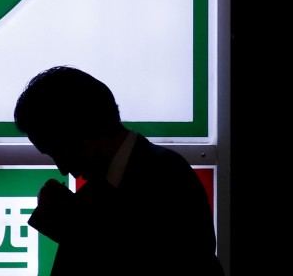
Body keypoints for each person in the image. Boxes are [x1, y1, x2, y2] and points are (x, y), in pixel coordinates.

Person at [14, 65, 225, 275]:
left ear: (84, 133)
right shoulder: (125, 180)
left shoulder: (167, 178)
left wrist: (72, 222)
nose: (62, 168)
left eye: (59, 152)